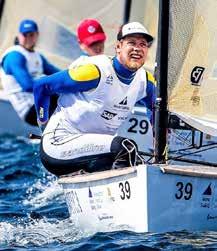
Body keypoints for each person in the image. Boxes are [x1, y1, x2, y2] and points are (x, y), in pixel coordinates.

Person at [34, 21, 156, 176]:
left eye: (143, 44)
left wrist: (158, 143)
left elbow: (156, 109)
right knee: (125, 147)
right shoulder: (95, 71)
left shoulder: (145, 81)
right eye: (131, 43)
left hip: (96, 152)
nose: (137, 48)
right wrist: (43, 124)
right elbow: (41, 86)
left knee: (138, 163)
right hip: (58, 146)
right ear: (118, 47)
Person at [0, 19, 60, 126]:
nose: (28, 38)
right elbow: (27, 86)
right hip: (29, 110)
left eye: (31, 35)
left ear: (37, 35)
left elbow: (58, 74)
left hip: (41, 103)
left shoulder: (38, 57)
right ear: (19, 36)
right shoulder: (14, 56)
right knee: (62, 99)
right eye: (25, 35)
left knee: (69, 95)